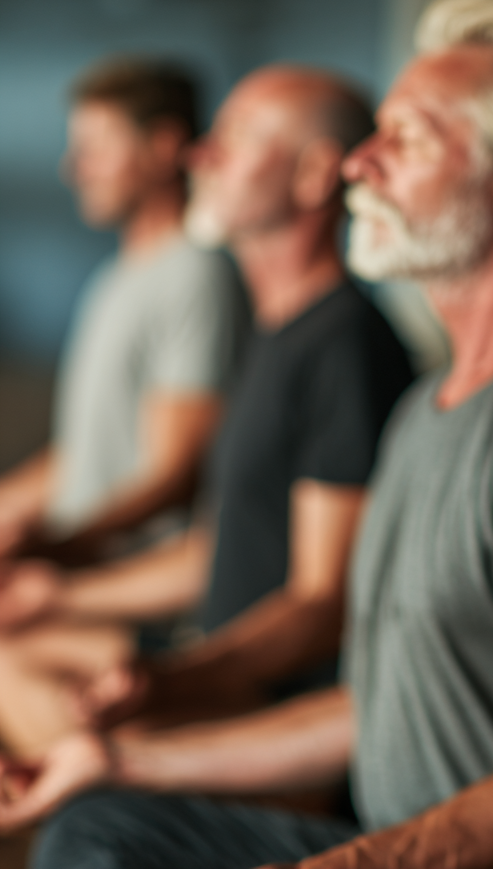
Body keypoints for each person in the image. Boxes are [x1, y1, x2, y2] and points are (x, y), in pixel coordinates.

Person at [0, 0, 493, 869]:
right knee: (98, 821)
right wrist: (122, 759)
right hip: (370, 832)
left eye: (406, 140)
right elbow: (372, 704)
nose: (360, 165)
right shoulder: (423, 410)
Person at [0, 66, 413, 756]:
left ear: (315, 176)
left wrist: (173, 681)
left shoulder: (344, 344)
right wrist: (59, 596)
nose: (202, 154)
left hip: (275, 714)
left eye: (238, 137)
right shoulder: (272, 334)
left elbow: (323, 602)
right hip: (217, 671)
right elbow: (215, 550)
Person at [0, 58, 240, 563]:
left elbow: (175, 472)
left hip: (132, 588)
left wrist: (63, 548)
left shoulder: (193, 274)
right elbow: (88, 456)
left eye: (96, 150)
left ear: (163, 147)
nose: (74, 168)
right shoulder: (117, 278)